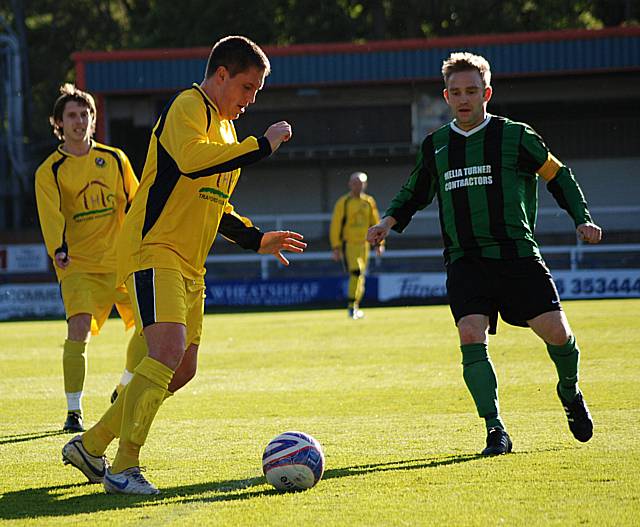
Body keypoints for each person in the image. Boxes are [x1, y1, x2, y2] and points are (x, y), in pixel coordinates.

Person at [61, 35, 306, 495]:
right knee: (166, 350)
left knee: (183, 368)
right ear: (221, 76)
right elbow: (192, 162)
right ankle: (123, 467)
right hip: (153, 248)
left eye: (257, 91)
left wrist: (256, 238)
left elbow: (214, 202)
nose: (251, 99)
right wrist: (264, 146)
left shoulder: (230, 131)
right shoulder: (188, 105)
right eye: (248, 87)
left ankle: (91, 445)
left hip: (191, 263)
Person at [368, 52, 602, 456]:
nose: (464, 99)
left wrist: (581, 218)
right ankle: (496, 430)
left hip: (516, 256)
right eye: (456, 92)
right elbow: (415, 191)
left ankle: (569, 391)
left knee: (558, 335)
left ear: (486, 93)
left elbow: (558, 175)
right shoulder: (437, 145)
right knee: (470, 334)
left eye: (471, 91)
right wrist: (387, 222)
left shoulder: (515, 136)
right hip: (465, 259)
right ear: (445, 96)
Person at [35, 84, 148, 433]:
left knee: (152, 328)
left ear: (94, 120)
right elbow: (50, 214)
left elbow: (138, 200)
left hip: (121, 263)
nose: (79, 121)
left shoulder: (115, 158)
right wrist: (58, 248)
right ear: (58, 123)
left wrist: (146, 239)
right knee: (78, 330)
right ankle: (74, 411)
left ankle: (124, 387)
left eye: (85, 114)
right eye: (71, 115)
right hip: (78, 265)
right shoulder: (50, 170)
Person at [329, 171, 384, 319]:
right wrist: (336, 247)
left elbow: (375, 223)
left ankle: (356, 305)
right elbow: (336, 225)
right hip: (349, 245)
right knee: (356, 272)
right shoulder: (343, 202)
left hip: (364, 245)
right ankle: (351, 306)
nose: (357, 186)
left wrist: (379, 243)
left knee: (361, 276)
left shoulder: (368, 202)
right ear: (349, 184)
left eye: (360, 183)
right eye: (354, 183)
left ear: (365, 185)